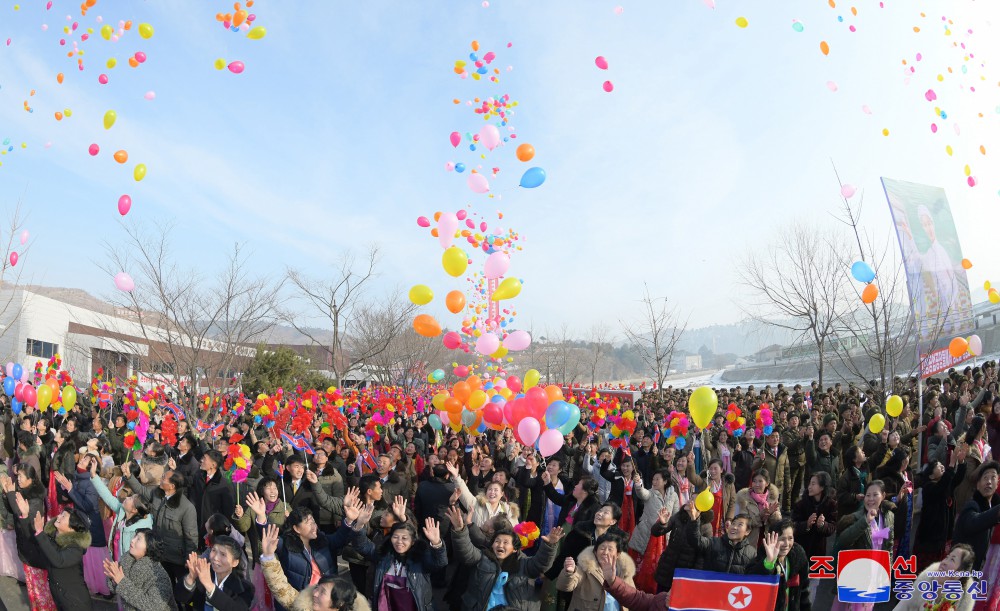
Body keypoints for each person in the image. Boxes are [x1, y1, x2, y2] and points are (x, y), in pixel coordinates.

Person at [448, 505, 563, 611]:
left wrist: (549, 546)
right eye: (497, 541)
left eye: (505, 542)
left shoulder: (524, 563)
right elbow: (466, 552)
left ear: (514, 549)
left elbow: (540, 564)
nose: (500, 545)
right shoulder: (482, 557)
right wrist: (459, 531)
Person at [260, 523, 372, 611]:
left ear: (339, 603)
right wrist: (269, 556)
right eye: (317, 587)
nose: (315, 593)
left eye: (323, 592)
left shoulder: (323, 542)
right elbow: (281, 587)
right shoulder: (304, 605)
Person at [124, 462, 199, 586]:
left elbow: (191, 536)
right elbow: (141, 490)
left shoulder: (186, 507)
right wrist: (129, 476)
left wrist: (189, 559)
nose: (161, 478)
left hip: (177, 559)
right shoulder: (157, 495)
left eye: (164, 477)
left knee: (182, 590)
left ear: (172, 486)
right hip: (160, 554)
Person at [352, 516, 447, 610]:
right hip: (386, 604)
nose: (399, 542)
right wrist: (359, 525)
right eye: (395, 537)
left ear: (413, 541)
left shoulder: (420, 558)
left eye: (404, 538)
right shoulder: (383, 554)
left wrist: (436, 543)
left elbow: (440, 563)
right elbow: (362, 546)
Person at [831, 480, 895, 611]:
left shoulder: (889, 516)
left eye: (875, 495)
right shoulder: (853, 518)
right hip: (855, 577)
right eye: (868, 495)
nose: (870, 499)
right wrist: (865, 521)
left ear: (883, 495)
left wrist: (887, 570)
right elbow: (843, 541)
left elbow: (889, 546)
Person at [15, 506, 94, 610]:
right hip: (59, 597)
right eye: (61, 514)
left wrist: (40, 533)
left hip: (76, 601)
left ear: (72, 527)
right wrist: (25, 516)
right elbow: (34, 539)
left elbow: (58, 560)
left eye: (64, 516)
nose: (59, 517)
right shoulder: (53, 537)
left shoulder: (76, 548)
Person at [55, 451, 111, 596]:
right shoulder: (77, 476)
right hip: (82, 522)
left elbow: (88, 506)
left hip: (91, 525)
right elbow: (73, 497)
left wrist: (70, 489)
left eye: (87, 459)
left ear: (91, 466)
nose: (82, 459)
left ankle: (103, 588)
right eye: (84, 457)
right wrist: (65, 487)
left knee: (95, 560)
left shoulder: (91, 483)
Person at [101, 528, 176, 611]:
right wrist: (113, 577)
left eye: (138, 539)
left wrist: (121, 581)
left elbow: (153, 607)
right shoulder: (126, 560)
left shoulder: (159, 576)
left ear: (149, 547)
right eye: (134, 537)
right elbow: (116, 589)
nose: (132, 540)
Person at [557, 533, 635, 611]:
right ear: (595, 552)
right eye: (602, 548)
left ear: (618, 554)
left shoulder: (624, 571)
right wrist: (569, 573)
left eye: (610, 549)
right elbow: (564, 587)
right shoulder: (584, 567)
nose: (605, 552)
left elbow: (633, 598)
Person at [175, 536, 254, 610]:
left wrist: (209, 585)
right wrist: (191, 577)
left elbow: (237, 609)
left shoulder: (245, 587)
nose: (215, 558)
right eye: (213, 550)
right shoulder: (202, 574)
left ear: (235, 562)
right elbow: (180, 597)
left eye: (223, 554)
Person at [893, 544, 977, 611]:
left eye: (952, 560)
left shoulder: (963, 600)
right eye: (947, 557)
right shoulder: (926, 580)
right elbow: (902, 606)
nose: (944, 562)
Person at [652, 502, 713, 593]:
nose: (689, 501)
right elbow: (656, 532)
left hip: (684, 573)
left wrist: (694, 576)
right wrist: (662, 523)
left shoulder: (706, 526)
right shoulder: (679, 516)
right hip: (667, 568)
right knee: (660, 601)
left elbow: (703, 555)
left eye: (694, 500)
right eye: (690, 498)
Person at [751, 520, 811, 611]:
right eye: (782, 539)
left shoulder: (799, 554)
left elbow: (804, 591)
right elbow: (752, 582)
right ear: (771, 538)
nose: (787, 544)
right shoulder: (763, 556)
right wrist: (769, 562)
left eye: (790, 538)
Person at [953, 461, 1000, 573]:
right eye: (985, 478)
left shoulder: (990, 507)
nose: (989, 482)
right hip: (959, 572)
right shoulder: (972, 505)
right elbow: (973, 522)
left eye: (993, 477)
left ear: (997, 483)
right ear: (978, 485)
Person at [689, 513, 757, 575]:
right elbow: (696, 541)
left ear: (747, 531)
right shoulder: (714, 542)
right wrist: (694, 521)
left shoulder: (751, 553)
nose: (734, 527)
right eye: (733, 523)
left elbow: (755, 576)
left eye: (740, 525)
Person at [792, 472, 837, 562]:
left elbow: (833, 526)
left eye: (813, 484)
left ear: (822, 487)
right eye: (809, 483)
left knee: (816, 574)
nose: (809, 487)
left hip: (819, 551)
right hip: (801, 548)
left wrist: (823, 525)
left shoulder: (831, 505)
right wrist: (806, 525)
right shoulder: (801, 504)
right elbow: (793, 526)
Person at [734, 470, 781, 549]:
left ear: (767, 483)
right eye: (754, 481)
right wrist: (760, 516)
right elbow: (743, 523)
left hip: (768, 541)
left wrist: (771, 514)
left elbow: (778, 522)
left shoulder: (772, 498)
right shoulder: (743, 498)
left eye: (760, 481)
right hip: (749, 542)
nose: (757, 484)